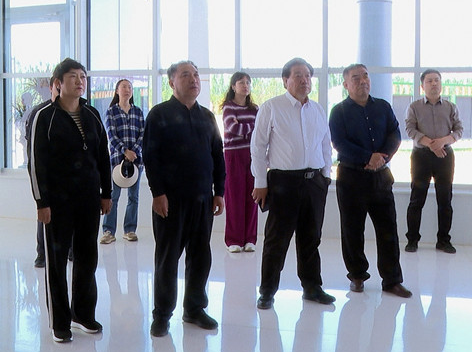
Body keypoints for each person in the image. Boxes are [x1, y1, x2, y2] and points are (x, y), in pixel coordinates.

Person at [28, 58, 112, 343]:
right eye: (73, 76)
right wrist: (41, 202)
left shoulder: (92, 114)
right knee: (56, 261)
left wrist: (106, 193)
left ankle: (83, 314)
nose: (80, 81)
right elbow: (36, 163)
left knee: (87, 258)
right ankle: (60, 322)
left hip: (88, 200)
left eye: (83, 77)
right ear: (58, 83)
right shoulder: (45, 116)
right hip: (57, 203)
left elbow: (102, 155)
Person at [143, 60, 226, 337]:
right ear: (172, 82)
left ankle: (194, 309)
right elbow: (151, 157)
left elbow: (217, 156)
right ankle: (162, 314)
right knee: (168, 259)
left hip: (203, 200)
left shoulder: (207, 117)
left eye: (196, 74)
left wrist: (219, 191)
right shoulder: (159, 115)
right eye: (186, 75)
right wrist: (158, 193)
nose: (194, 79)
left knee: (201, 257)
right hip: (171, 202)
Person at [250, 58, 335, 310]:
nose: (304, 80)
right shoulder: (271, 107)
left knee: (311, 238)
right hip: (283, 183)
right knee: (277, 240)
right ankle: (267, 291)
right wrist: (260, 181)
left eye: (307, 75)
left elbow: (325, 144)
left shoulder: (317, 109)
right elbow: (258, 147)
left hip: (314, 183)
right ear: (285, 80)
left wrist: (325, 175)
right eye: (298, 75)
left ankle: (312, 287)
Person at [329, 63, 412, 298]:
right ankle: (357, 275)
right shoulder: (338, 111)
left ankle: (392, 280)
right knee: (352, 230)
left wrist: (381, 157)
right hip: (351, 177)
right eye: (355, 78)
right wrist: (368, 157)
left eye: (365, 76)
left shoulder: (383, 107)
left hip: (381, 177)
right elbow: (339, 142)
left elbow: (395, 134)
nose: (362, 81)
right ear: (346, 84)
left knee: (388, 229)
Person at [404, 69, 463, 254]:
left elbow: (459, 130)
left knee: (445, 200)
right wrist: (431, 144)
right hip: (421, 156)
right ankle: (412, 240)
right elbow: (410, 130)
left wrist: (442, 142)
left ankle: (443, 241)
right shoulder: (414, 107)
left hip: (445, 156)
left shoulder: (451, 107)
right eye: (429, 81)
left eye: (437, 80)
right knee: (416, 199)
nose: (434, 84)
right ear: (422, 86)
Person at [100, 79, 145, 244]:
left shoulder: (138, 112)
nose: (127, 89)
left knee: (134, 197)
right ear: (117, 91)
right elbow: (111, 136)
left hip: (136, 162)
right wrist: (125, 152)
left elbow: (143, 135)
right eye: (124, 87)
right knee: (113, 196)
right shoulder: (111, 112)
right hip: (116, 162)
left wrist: (134, 153)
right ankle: (108, 231)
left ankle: (130, 230)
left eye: (130, 87)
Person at [221, 71, 259, 253]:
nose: (245, 85)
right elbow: (233, 128)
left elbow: (261, 131)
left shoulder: (255, 109)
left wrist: (247, 128)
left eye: (248, 82)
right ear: (233, 86)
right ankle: (234, 240)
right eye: (241, 82)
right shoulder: (228, 107)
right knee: (234, 197)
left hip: (252, 155)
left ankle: (250, 238)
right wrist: (252, 127)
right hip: (233, 155)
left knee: (253, 196)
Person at [24, 81, 59, 268]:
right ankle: (42, 253)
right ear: (53, 86)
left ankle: (70, 250)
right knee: (45, 215)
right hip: (48, 178)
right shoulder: (40, 112)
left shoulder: (78, 111)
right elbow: (33, 150)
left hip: (70, 179)